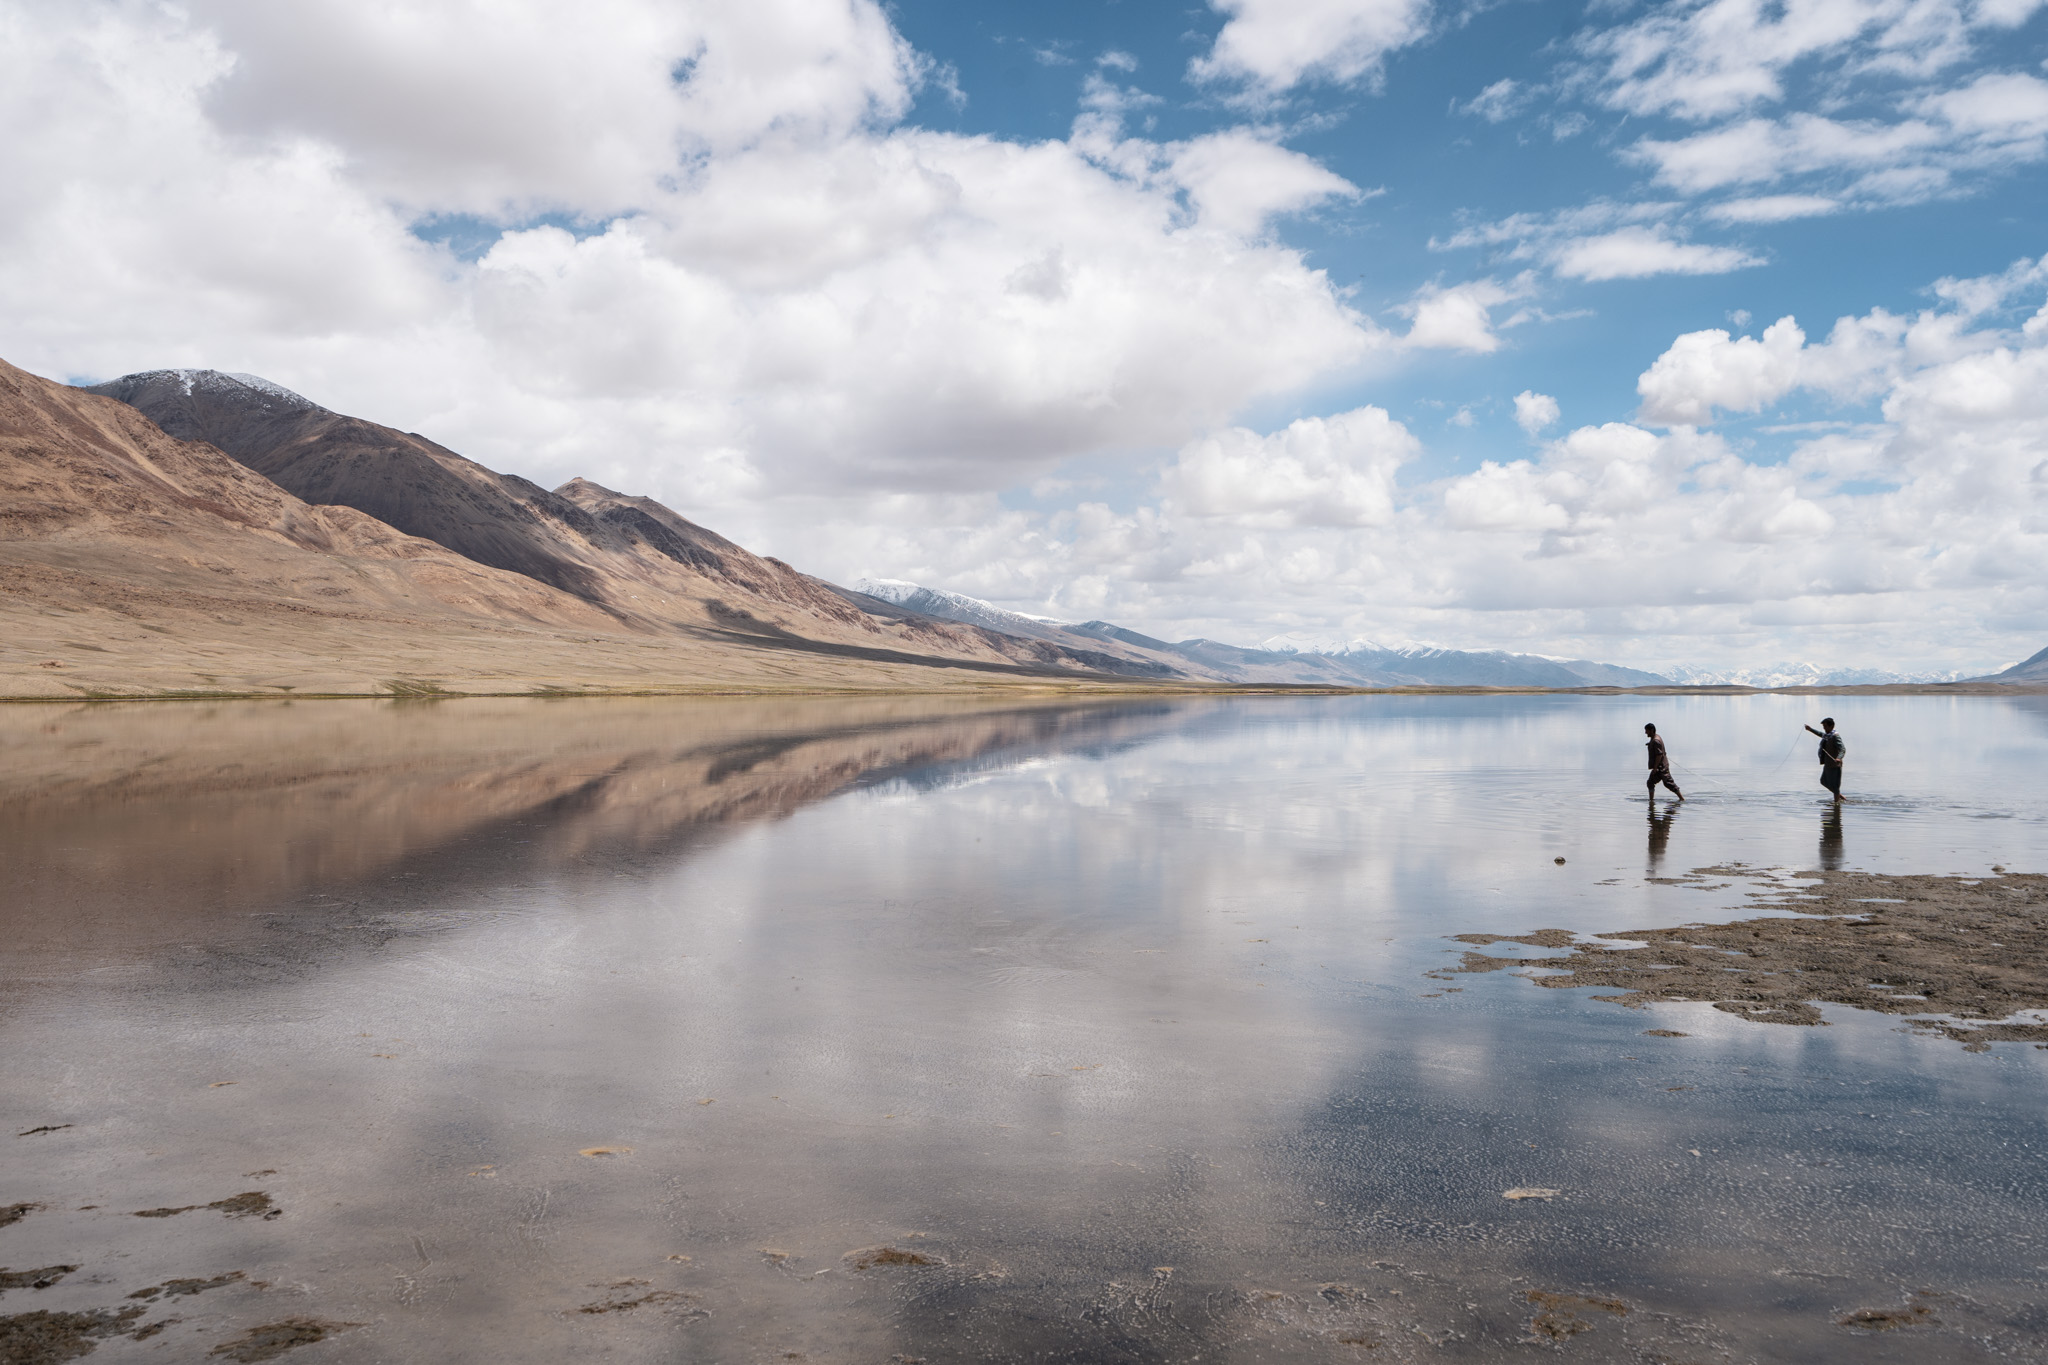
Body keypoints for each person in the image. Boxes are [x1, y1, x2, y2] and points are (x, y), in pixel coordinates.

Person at [1804, 717, 1846, 802]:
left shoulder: (1835, 736)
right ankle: (1840, 797)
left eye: (1825, 726)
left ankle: (1837, 804)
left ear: (1832, 726)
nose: (1824, 728)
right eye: (1823, 726)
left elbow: (1842, 749)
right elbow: (1820, 734)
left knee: (1835, 786)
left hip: (1835, 765)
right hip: (1828, 764)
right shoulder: (1827, 735)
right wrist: (1810, 729)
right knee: (1823, 781)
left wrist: (1839, 758)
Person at [1643, 723, 1683, 801]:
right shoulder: (1654, 739)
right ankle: (1651, 801)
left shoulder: (1656, 740)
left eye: (1646, 730)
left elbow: (1659, 755)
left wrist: (1655, 768)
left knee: (1669, 783)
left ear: (1651, 730)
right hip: (1659, 767)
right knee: (1650, 782)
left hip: (1661, 767)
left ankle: (1682, 799)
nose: (1645, 732)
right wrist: (1650, 744)